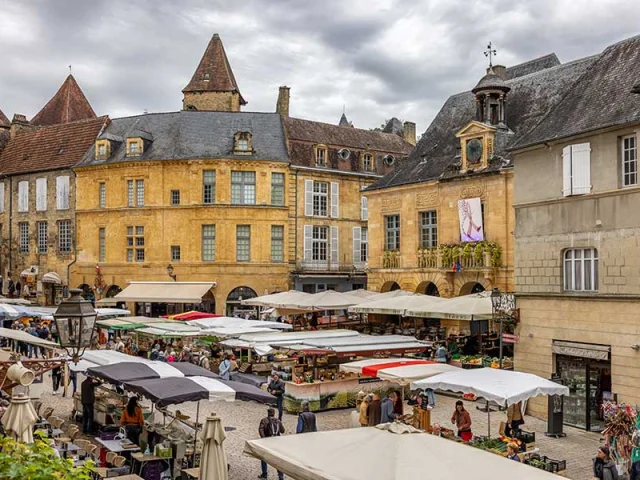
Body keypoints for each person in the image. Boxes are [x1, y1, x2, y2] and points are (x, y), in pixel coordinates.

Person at [258, 408, 285, 480]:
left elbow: (261, 430)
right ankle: (281, 476)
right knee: (278, 460)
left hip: (268, 441)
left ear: (268, 413)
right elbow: (283, 431)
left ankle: (264, 474)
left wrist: (264, 439)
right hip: (277, 442)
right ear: (274, 413)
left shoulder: (264, 420)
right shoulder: (278, 421)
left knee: (263, 457)